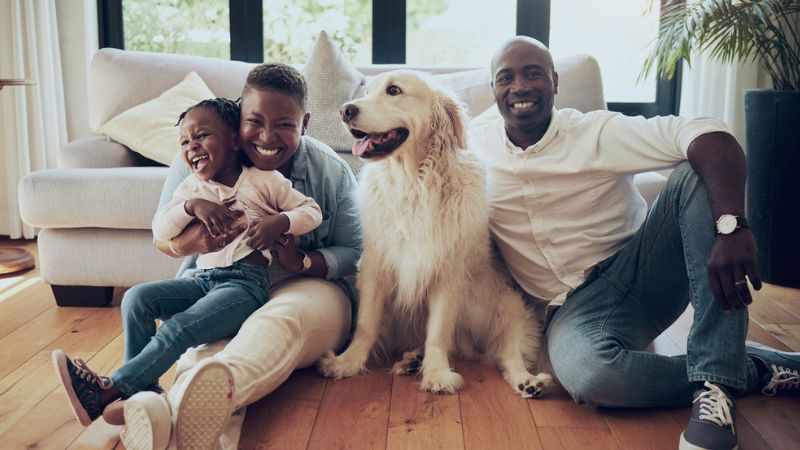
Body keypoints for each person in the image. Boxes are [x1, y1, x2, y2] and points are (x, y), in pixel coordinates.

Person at [472, 36, 800, 450]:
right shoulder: (474, 147)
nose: (520, 87)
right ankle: (751, 367)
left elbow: (707, 131)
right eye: (506, 78)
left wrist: (732, 226)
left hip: (643, 270)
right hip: (571, 309)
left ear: (555, 82)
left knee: (693, 169)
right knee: (592, 376)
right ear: (493, 90)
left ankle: (715, 387)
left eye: (534, 74)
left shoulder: (596, 131)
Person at [104, 64, 361, 450]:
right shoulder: (197, 162)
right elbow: (163, 238)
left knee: (275, 323)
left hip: (307, 284)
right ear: (238, 119)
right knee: (203, 341)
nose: (267, 137)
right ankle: (157, 415)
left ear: (304, 123)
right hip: (220, 279)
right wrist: (194, 244)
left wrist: (302, 262)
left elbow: (355, 252)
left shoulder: (330, 171)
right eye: (254, 121)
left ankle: (169, 415)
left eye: (285, 125)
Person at [51, 97, 323, 430]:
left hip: (244, 286)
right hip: (201, 279)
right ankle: (140, 396)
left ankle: (111, 389)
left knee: (179, 327)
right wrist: (192, 206)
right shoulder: (191, 188)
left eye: (202, 136)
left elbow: (311, 211)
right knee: (137, 298)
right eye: (184, 141)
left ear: (235, 141)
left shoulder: (263, 181)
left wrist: (279, 222)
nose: (191, 146)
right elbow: (161, 229)